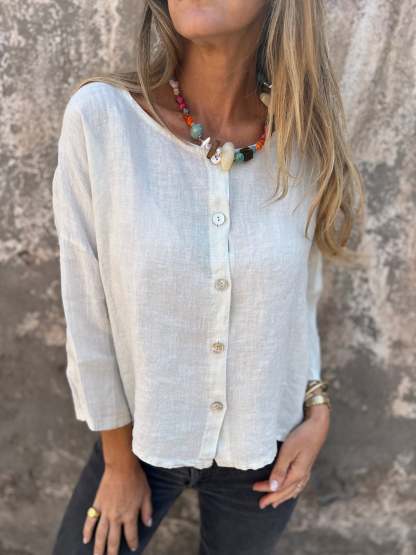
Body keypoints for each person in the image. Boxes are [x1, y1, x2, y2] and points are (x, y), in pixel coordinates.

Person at [51, 1, 365, 554]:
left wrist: (317, 408)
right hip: (139, 443)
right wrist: (118, 463)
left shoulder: (302, 142)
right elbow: (86, 309)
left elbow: (299, 303)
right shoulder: (102, 120)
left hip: (266, 449)